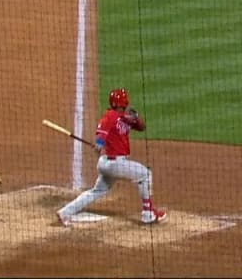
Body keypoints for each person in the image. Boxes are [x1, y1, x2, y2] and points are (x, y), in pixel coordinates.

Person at [56, 88, 167, 225]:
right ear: (124, 102)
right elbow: (101, 134)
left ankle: (65, 212)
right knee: (145, 175)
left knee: (97, 191)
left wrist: (136, 119)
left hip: (108, 164)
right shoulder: (110, 116)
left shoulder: (124, 118)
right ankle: (148, 213)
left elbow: (142, 127)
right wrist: (99, 143)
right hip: (115, 164)